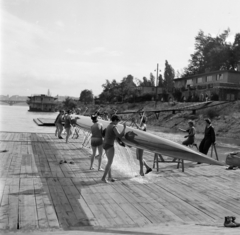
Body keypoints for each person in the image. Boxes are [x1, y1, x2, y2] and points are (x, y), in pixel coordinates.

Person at [101, 115, 126, 183]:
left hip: (105, 144)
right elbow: (119, 135)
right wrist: (124, 128)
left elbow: (113, 136)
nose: (118, 122)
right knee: (109, 162)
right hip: (110, 145)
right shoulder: (114, 127)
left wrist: (119, 142)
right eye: (118, 121)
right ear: (115, 120)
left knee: (109, 161)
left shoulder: (109, 126)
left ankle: (110, 177)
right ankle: (103, 178)